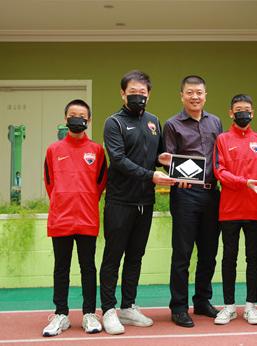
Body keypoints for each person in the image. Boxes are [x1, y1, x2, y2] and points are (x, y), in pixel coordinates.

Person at [99, 70, 176, 335]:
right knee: (113, 256)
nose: (138, 96)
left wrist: (162, 160)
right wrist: (150, 175)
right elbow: (119, 160)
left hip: (145, 200)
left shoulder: (153, 121)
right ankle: (108, 310)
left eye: (142, 92)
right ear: (123, 94)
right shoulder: (114, 123)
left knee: (135, 256)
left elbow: (153, 156)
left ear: (149, 95)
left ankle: (128, 307)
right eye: (132, 92)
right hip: (120, 200)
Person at [42, 99, 107, 337]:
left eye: (81, 115)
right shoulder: (53, 150)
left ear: (88, 120)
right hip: (61, 218)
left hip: (87, 218)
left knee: (88, 267)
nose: (76, 119)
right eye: (72, 115)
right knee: (61, 268)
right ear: (65, 119)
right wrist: (63, 200)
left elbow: (101, 183)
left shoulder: (97, 150)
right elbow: (50, 183)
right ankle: (61, 314)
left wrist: (85, 200)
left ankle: (89, 313)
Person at [163, 75, 223, 328]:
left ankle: (202, 300)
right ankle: (178, 307)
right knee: (183, 253)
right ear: (182, 96)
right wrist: (178, 175)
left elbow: (221, 156)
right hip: (185, 194)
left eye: (199, 92)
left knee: (209, 252)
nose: (195, 97)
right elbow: (168, 159)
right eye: (190, 92)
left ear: (205, 95)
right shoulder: (172, 124)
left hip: (212, 193)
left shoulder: (215, 122)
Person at [213, 94, 257, 325]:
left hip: (255, 210)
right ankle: (229, 307)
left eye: (246, 109)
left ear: (252, 113)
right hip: (229, 210)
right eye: (238, 109)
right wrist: (243, 182)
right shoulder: (222, 139)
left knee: (253, 258)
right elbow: (219, 171)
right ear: (231, 113)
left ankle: (251, 306)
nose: (242, 113)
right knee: (229, 258)